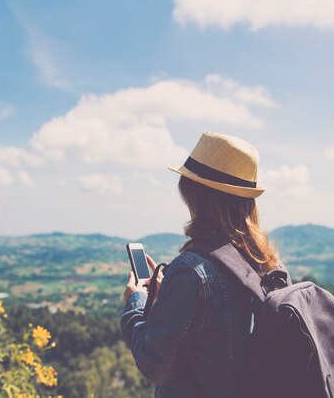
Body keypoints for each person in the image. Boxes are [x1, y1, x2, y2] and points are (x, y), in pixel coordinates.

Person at [121, 131, 283, 398]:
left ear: (194, 194)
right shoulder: (266, 263)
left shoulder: (191, 271)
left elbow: (155, 366)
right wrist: (170, 297)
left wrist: (135, 304)